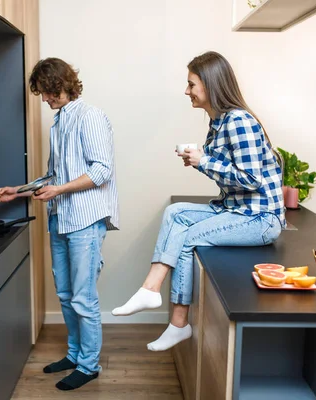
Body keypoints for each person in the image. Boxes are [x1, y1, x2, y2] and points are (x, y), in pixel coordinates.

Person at [112, 51, 285, 351]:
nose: (186, 91)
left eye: (191, 84)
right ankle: (151, 288)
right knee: (176, 212)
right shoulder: (218, 123)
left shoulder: (238, 121)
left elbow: (251, 179)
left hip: (260, 218)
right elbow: (230, 175)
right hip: (237, 210)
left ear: (210, 84)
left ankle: (179, 323)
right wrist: (199, 161)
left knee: (188, 236)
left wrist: (204, 161)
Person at [0, 57, 119, 390]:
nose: (45, 99)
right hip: (60, 220)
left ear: (62, 84)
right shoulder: (59, 122)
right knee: (65, 294)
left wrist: (59, 189)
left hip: (85, 221)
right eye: (42, 93)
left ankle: (89, 365)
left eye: (47, 92)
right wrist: (17, 191)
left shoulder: (90, 116)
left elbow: (101, 170)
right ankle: (76, 355)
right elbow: (53, 176)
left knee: (83, 298)